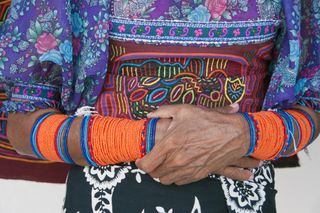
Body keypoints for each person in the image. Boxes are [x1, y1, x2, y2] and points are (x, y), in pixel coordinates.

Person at [0, 0, 319, 212]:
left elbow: (312, 102)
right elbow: (23, 122)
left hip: (241, 200)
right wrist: (149, 138)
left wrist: (247, 134)